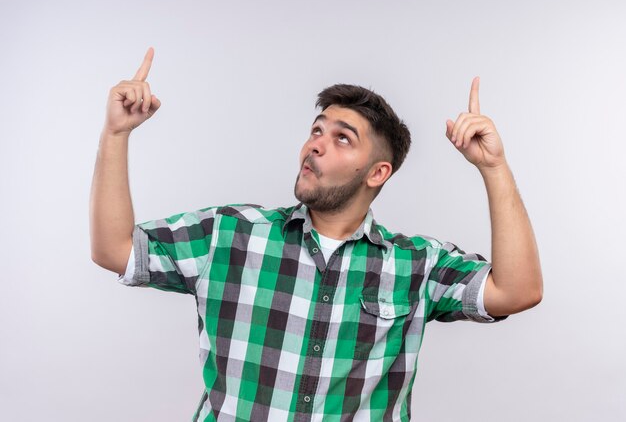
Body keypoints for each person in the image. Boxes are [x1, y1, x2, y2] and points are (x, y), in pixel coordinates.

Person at [90, 47, 543, 422]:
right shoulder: (229, 234)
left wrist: (493, 167)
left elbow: (517, 290)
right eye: (316, 130)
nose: (315, 144)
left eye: (342, 138)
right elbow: (116, 249)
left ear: (378, 172)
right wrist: (115, 134)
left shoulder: (417, 265)